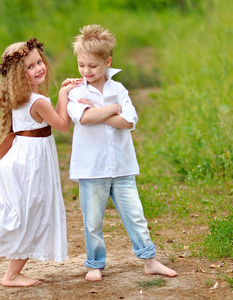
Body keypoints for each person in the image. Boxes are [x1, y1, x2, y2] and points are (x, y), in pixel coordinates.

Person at [67, 25, 178, 282]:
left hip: (123, 166)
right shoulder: (77, 91)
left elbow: (128, 122)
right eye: (81, 65)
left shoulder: (120, 90)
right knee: (93, 221)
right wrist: (111, 110)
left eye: (92, 66)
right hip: (92, 169)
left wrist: (102, 110)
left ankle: (149, 260)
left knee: (135, 215)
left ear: (107, 62)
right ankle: (95, 263)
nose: (86, 71)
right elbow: (84, 118)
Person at [0, 37, 81, 287]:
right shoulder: (37, 101)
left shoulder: (23, 97)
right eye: (30, 66)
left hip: (15, 158)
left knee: (21, 214)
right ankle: (11, 275)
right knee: (31, 217)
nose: (39, 68)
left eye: (39, 62)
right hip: (31, 163)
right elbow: (62, 125)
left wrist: (60, 93)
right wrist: (64, 94)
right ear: (19, 75)